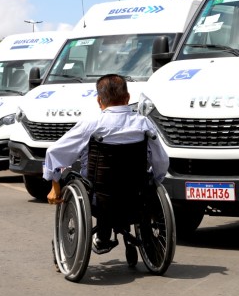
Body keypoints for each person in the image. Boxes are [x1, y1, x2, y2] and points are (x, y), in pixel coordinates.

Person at [43, 74, 169, 254]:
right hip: (136, 193)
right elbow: (161, 160)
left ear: (99, 101)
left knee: (67, 175)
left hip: (96, 196)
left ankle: (100, 236)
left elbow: (54, 153)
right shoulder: (143, 124)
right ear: (127, 98)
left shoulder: (92, 124)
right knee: (141, 181)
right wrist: (154, 181)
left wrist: (54, 185)